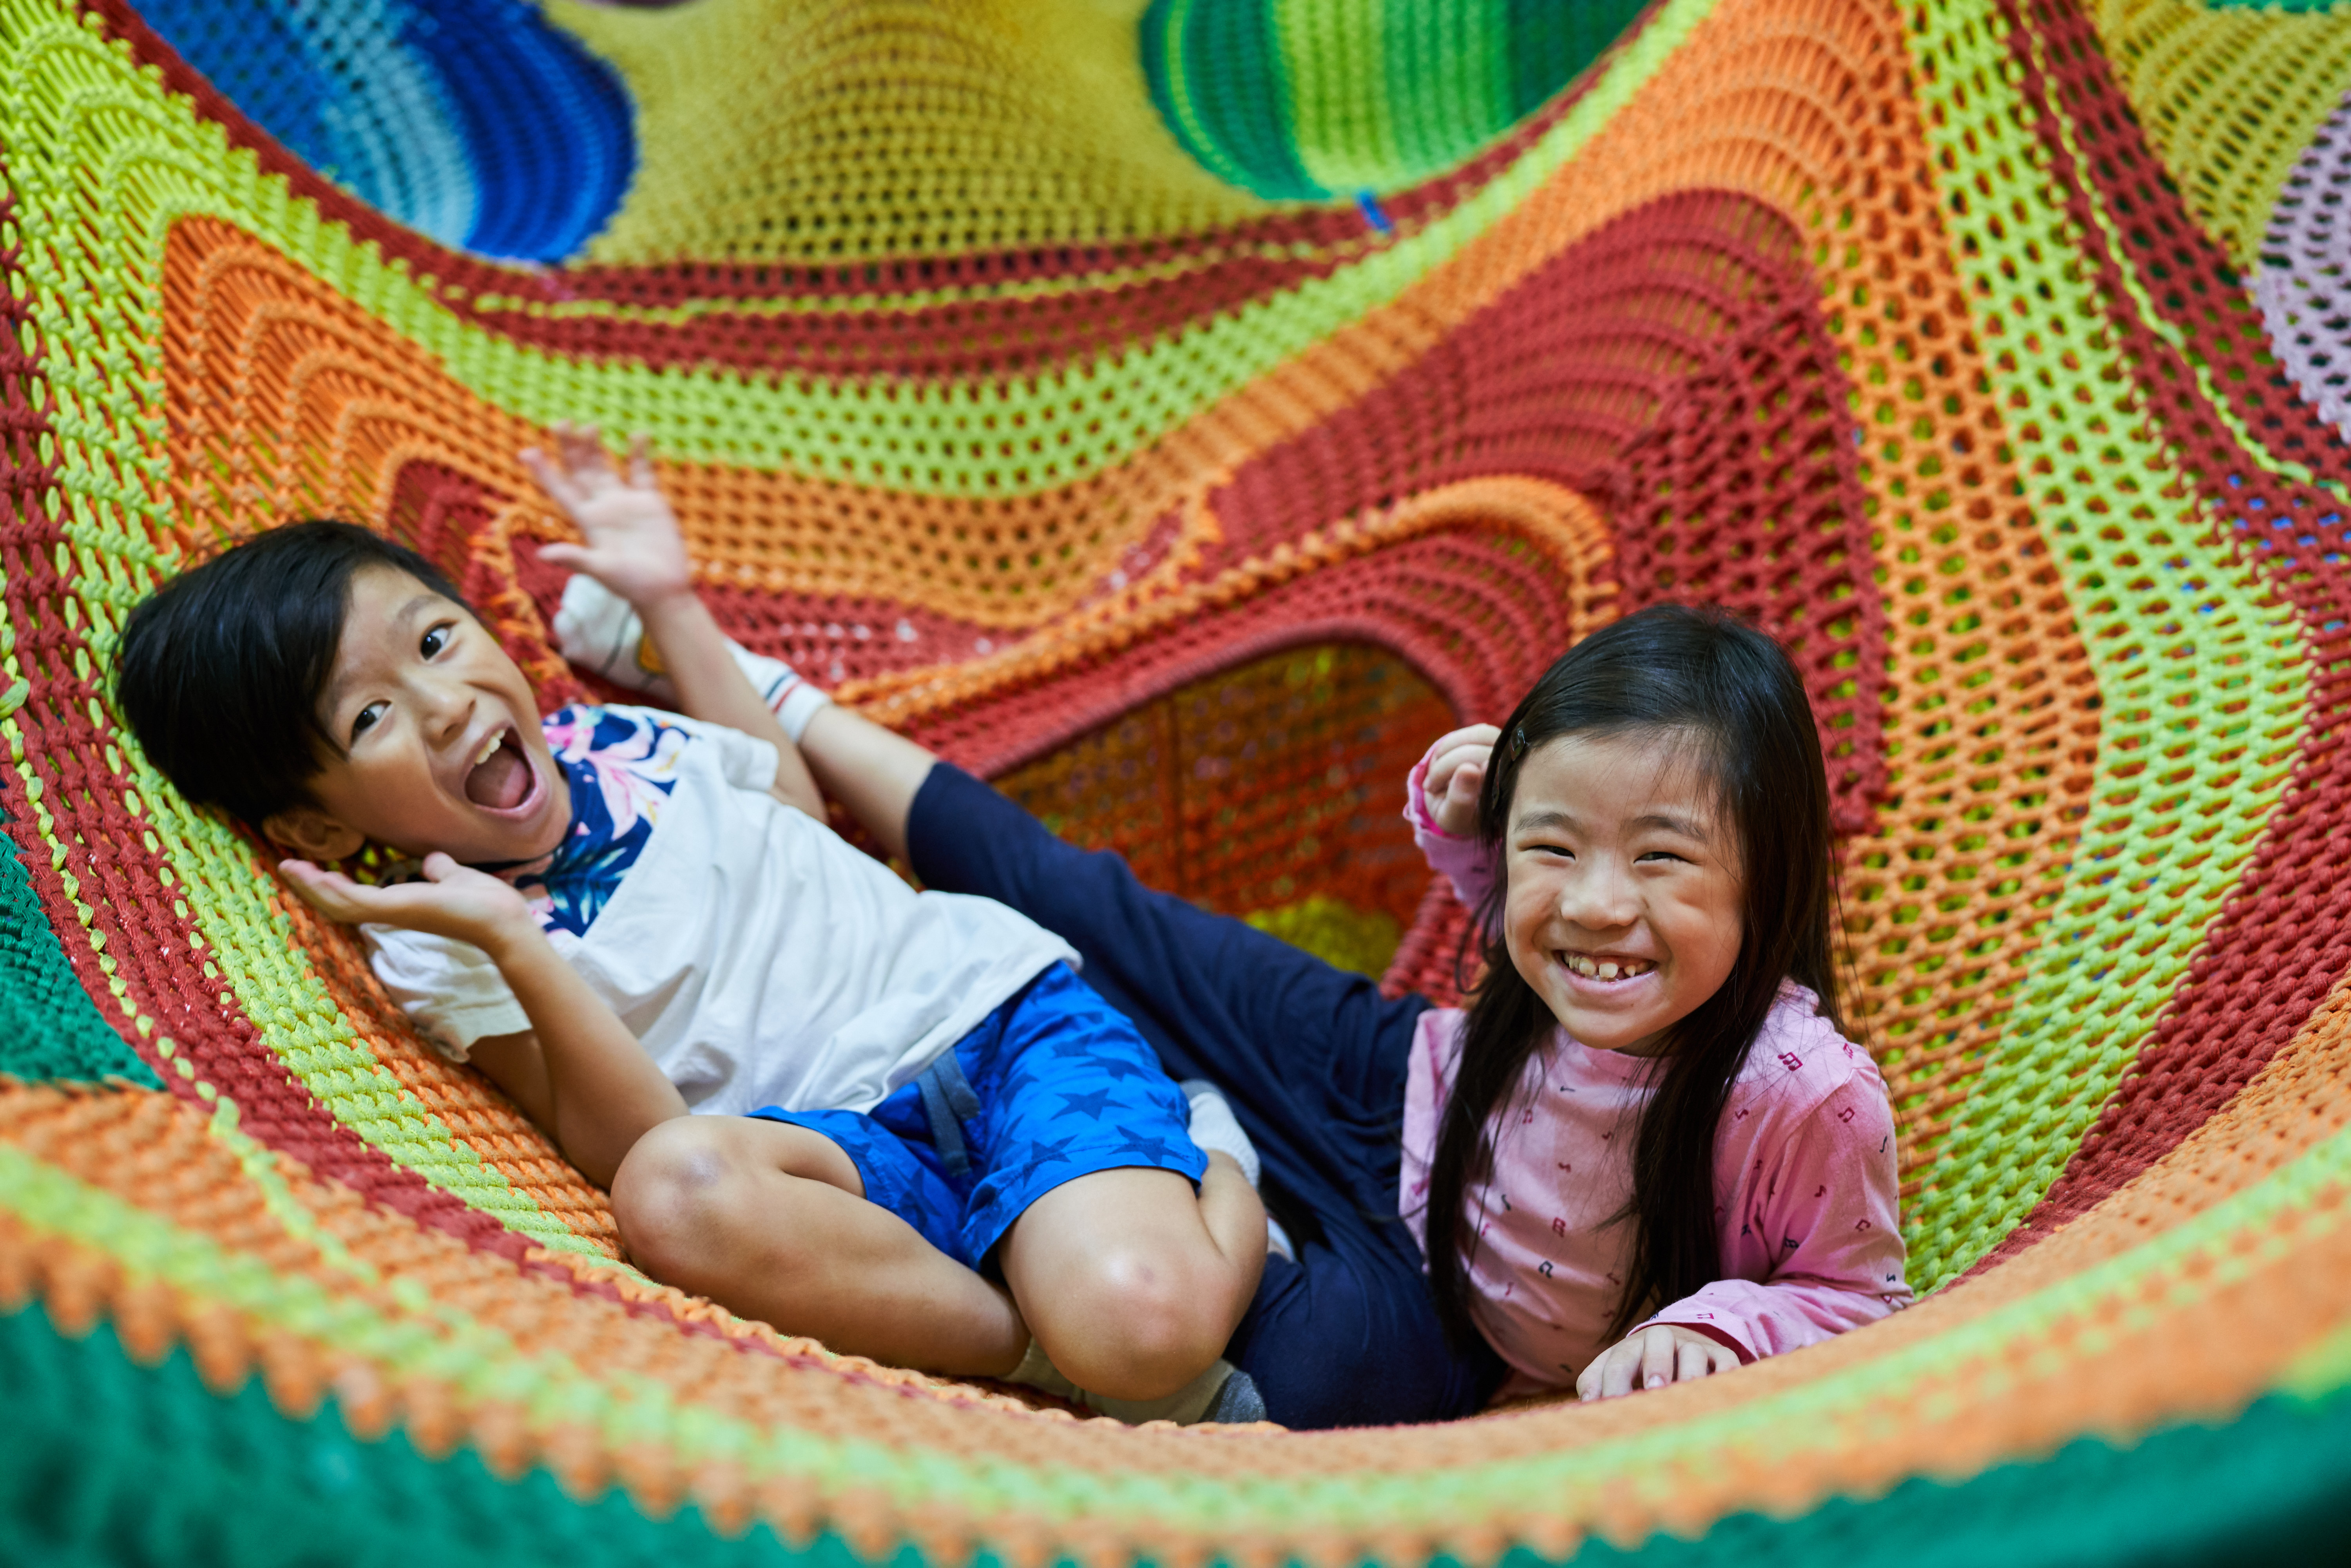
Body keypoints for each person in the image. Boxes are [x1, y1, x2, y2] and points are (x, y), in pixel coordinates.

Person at [109, 426, 1271, 1426]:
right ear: (312, 825)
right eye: (372, 715)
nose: (448, 700)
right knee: (670, 1196)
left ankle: (1214, 1155)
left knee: (1136, 1321)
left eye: (432, 640)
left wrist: (669, 603)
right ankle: (1047, 1359)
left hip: (1000, 1031)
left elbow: (794, 812)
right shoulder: (436, 939)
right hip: (850, 1164)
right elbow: (630, 1148)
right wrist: (514, 943)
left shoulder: (613, 738)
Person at [683, 598, 1914, 1427]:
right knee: (1100, 916)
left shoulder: (1806, 1095)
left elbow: (1860, 1296)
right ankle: (790, 705)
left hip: (1445, 1310)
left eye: (1662, 858)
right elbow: (1536, 931)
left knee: (1297, 1391)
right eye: (1559, 845)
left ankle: (1185, 1168)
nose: (1598, 906)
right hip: (1392, 1083)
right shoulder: (1568, 924)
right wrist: (1483, 822)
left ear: (1771, 871)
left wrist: (1724, 1324)